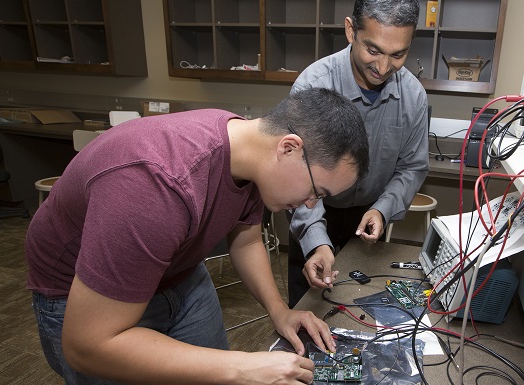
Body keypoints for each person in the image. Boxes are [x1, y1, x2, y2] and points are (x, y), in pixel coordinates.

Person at [25, 88, 370, 384]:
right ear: (289, 148)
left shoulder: (249, 149)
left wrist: (278, 311)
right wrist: (244, 368)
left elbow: (246, 239)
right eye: (317, 191)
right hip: (85, 297)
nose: (311, 203)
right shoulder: (156, 186)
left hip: (179, 272)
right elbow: (88, 344)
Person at [287, 0, 429, 307]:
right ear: (351, 30)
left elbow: (412, 168)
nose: (382, 68)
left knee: (362, 308)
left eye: (398, 55)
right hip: (313, 212)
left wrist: (382, 210)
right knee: (305, 314)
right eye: (373, 51)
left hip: (368, 216)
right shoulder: (312, 85)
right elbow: (295, 174)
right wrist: (314, 240)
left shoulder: (414, 96)